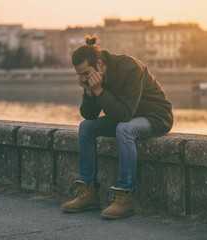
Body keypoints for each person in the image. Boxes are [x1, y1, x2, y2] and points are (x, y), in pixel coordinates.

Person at [61, 35, 174, 219]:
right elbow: (89, 115)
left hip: (155, 116)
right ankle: (88, 192)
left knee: (124, 129)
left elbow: (125, 115)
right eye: (78, 75)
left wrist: (98, 90)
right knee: (86, 127)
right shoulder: (93, 76)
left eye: (85, 74)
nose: (82, 79)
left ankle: (124, 196)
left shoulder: (130, 68)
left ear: (99, 63)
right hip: (125, 116)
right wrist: (89, 92)